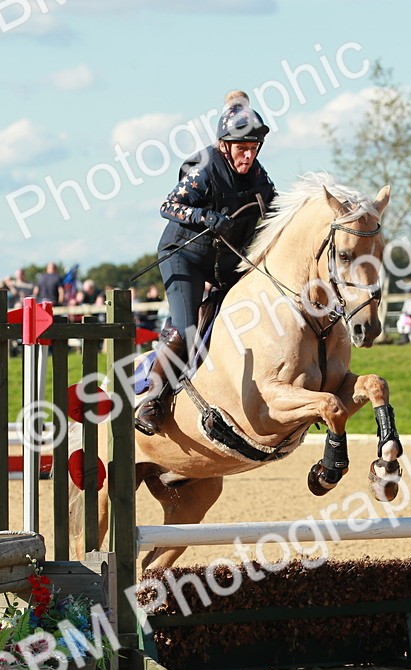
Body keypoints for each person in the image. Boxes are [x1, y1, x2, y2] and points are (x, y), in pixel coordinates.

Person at [135, 90, 275, 435]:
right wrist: (202, 215)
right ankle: (151, 400)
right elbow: (169, 205)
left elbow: (275, 214)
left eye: (253, 148)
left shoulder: (260, 178)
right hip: (184, 256)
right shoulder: (205, 169)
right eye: (241, 148)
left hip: (224, 262)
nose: (248, 155)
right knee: (185, 329)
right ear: (225, 146)